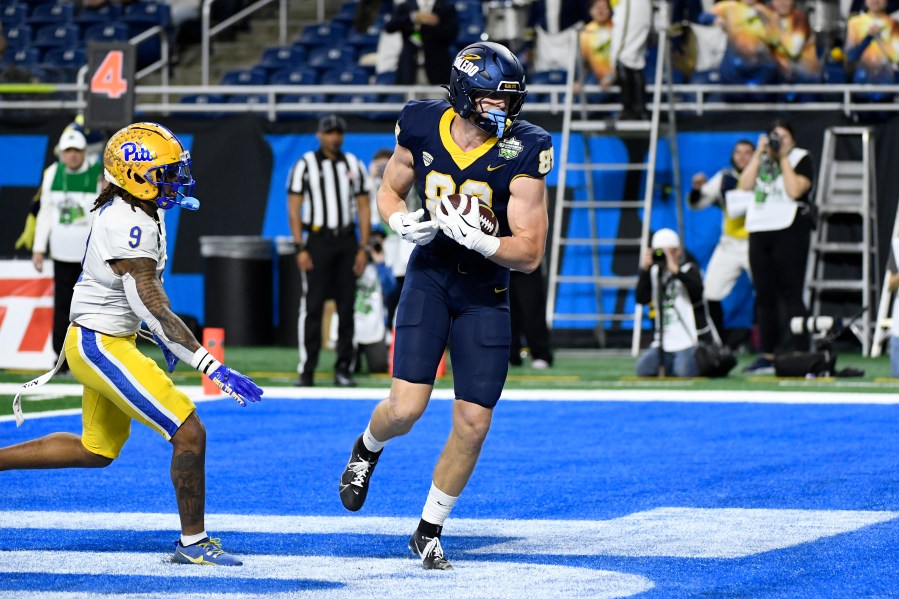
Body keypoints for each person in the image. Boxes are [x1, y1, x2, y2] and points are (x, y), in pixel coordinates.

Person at [2, 122, 263, 565]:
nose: (175, 180)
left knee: (96, 449)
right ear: (135, 175)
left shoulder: (135, 207)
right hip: (99, 343)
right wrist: (211, 366)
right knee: (189, 431)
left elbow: (140, 303)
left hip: (104, 336)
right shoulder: (128, 223)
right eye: (165, 172)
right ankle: (193, 544)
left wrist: (157, 334)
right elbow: (154, 308)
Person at [338, 41, 553, 570]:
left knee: (474, 421)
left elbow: (530, 254)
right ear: (462, 93)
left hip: (486, 290)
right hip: (430, 278)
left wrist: (484, 243)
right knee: (406, 409)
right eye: (492, 99)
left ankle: (429, 528)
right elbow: (391, 189)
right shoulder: (418, 122)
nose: (504, 110)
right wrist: (396, 221)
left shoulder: (526, 148)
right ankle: (367, 447)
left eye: (510, 100)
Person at [288, 114, 371, 388]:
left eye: (338, 132)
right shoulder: (305, 165)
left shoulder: (353, 164)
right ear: (319, 135)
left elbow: (363, 207)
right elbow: (294, 208)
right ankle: (307, 370)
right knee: (312, 307)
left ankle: (343, 369)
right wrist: (300, 245)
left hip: (346, 241)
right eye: (329, 132)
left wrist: (362, 247)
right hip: (318, 241)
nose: (334, 137)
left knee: (347, 308)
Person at [738, 119, 815, 374]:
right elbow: (744, 186)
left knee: (791, 292)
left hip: (788, 228)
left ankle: (801, 350)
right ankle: (768, 354)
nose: (777, 141)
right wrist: (759, 154)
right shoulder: (762, 159)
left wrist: (782, 157)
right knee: (764, 295)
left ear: (792, 140)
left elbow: (795, 191)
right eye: (774, 136)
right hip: (759, 228)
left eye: (783, 137)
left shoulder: (800, 158)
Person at [32, 128, 105, 372]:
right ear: (61, 153)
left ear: (84, 152)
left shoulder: (97, 171)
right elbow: (44, 213)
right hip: (62, 252)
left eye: (77, 151)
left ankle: (91, 356)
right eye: (68, 151)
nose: (72, 156)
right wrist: (38, 248)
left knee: (91, 307)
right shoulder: (52, 173)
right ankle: (61, 359)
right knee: (63, 306)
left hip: (89, 254)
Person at [688, 139, 755, 346]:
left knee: (768, 293)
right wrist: (697, 189)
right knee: (710, 293)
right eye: (738, 152)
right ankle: (717, 344)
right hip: (730, 244)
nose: (742, 157)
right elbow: (697, 203)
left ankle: (769, 346)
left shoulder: (764, 177)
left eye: (747, 153)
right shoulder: (725, 178)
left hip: (757, 244)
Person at [635, 228, 706, 377]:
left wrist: (676, 271)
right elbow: (641, 298)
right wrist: (644, 270)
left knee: (684, 372)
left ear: (678, 251)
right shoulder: (653, 273)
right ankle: (671, 364)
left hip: (689, 341)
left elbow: (698, 293)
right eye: (659, 252)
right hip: (663, 343)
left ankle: (682, 364)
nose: (663, 256)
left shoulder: (688, 269)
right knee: (643, 369)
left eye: (669, 252)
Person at [702, 0, 778, 86]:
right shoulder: (730, 6)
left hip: (759, 65)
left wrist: (766, 20)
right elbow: (703, 16)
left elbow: (775, 41)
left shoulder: (765, 10)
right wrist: (716, 19)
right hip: (733, 64)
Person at [384, 0, 458, 85]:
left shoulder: (446, 6)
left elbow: (452, 33)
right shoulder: (405, 6)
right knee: (410, 97)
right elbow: (389, 27)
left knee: (437, 97)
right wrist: (414, 17)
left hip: (437, 67)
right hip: (410, 68)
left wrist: (426, 26)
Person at [610, 0, 652, 119]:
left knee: (623, 55)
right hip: (627, 6)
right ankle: (637, 109)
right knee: (634, 59)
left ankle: (631, 109)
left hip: (631, 5)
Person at [845, 0, 899, 88]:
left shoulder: (893, 24)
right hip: (860, 84)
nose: (875, 1)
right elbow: (850, 56)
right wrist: (868, 38)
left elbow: (897, 57)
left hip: (886, 85)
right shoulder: (854, 23)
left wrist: (879, 39)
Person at [509, 267, 554, 369]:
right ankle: (510, 355)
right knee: (505, 312)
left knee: (532, 310)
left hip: (527, 263)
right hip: (498, 263)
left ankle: (541, 354)